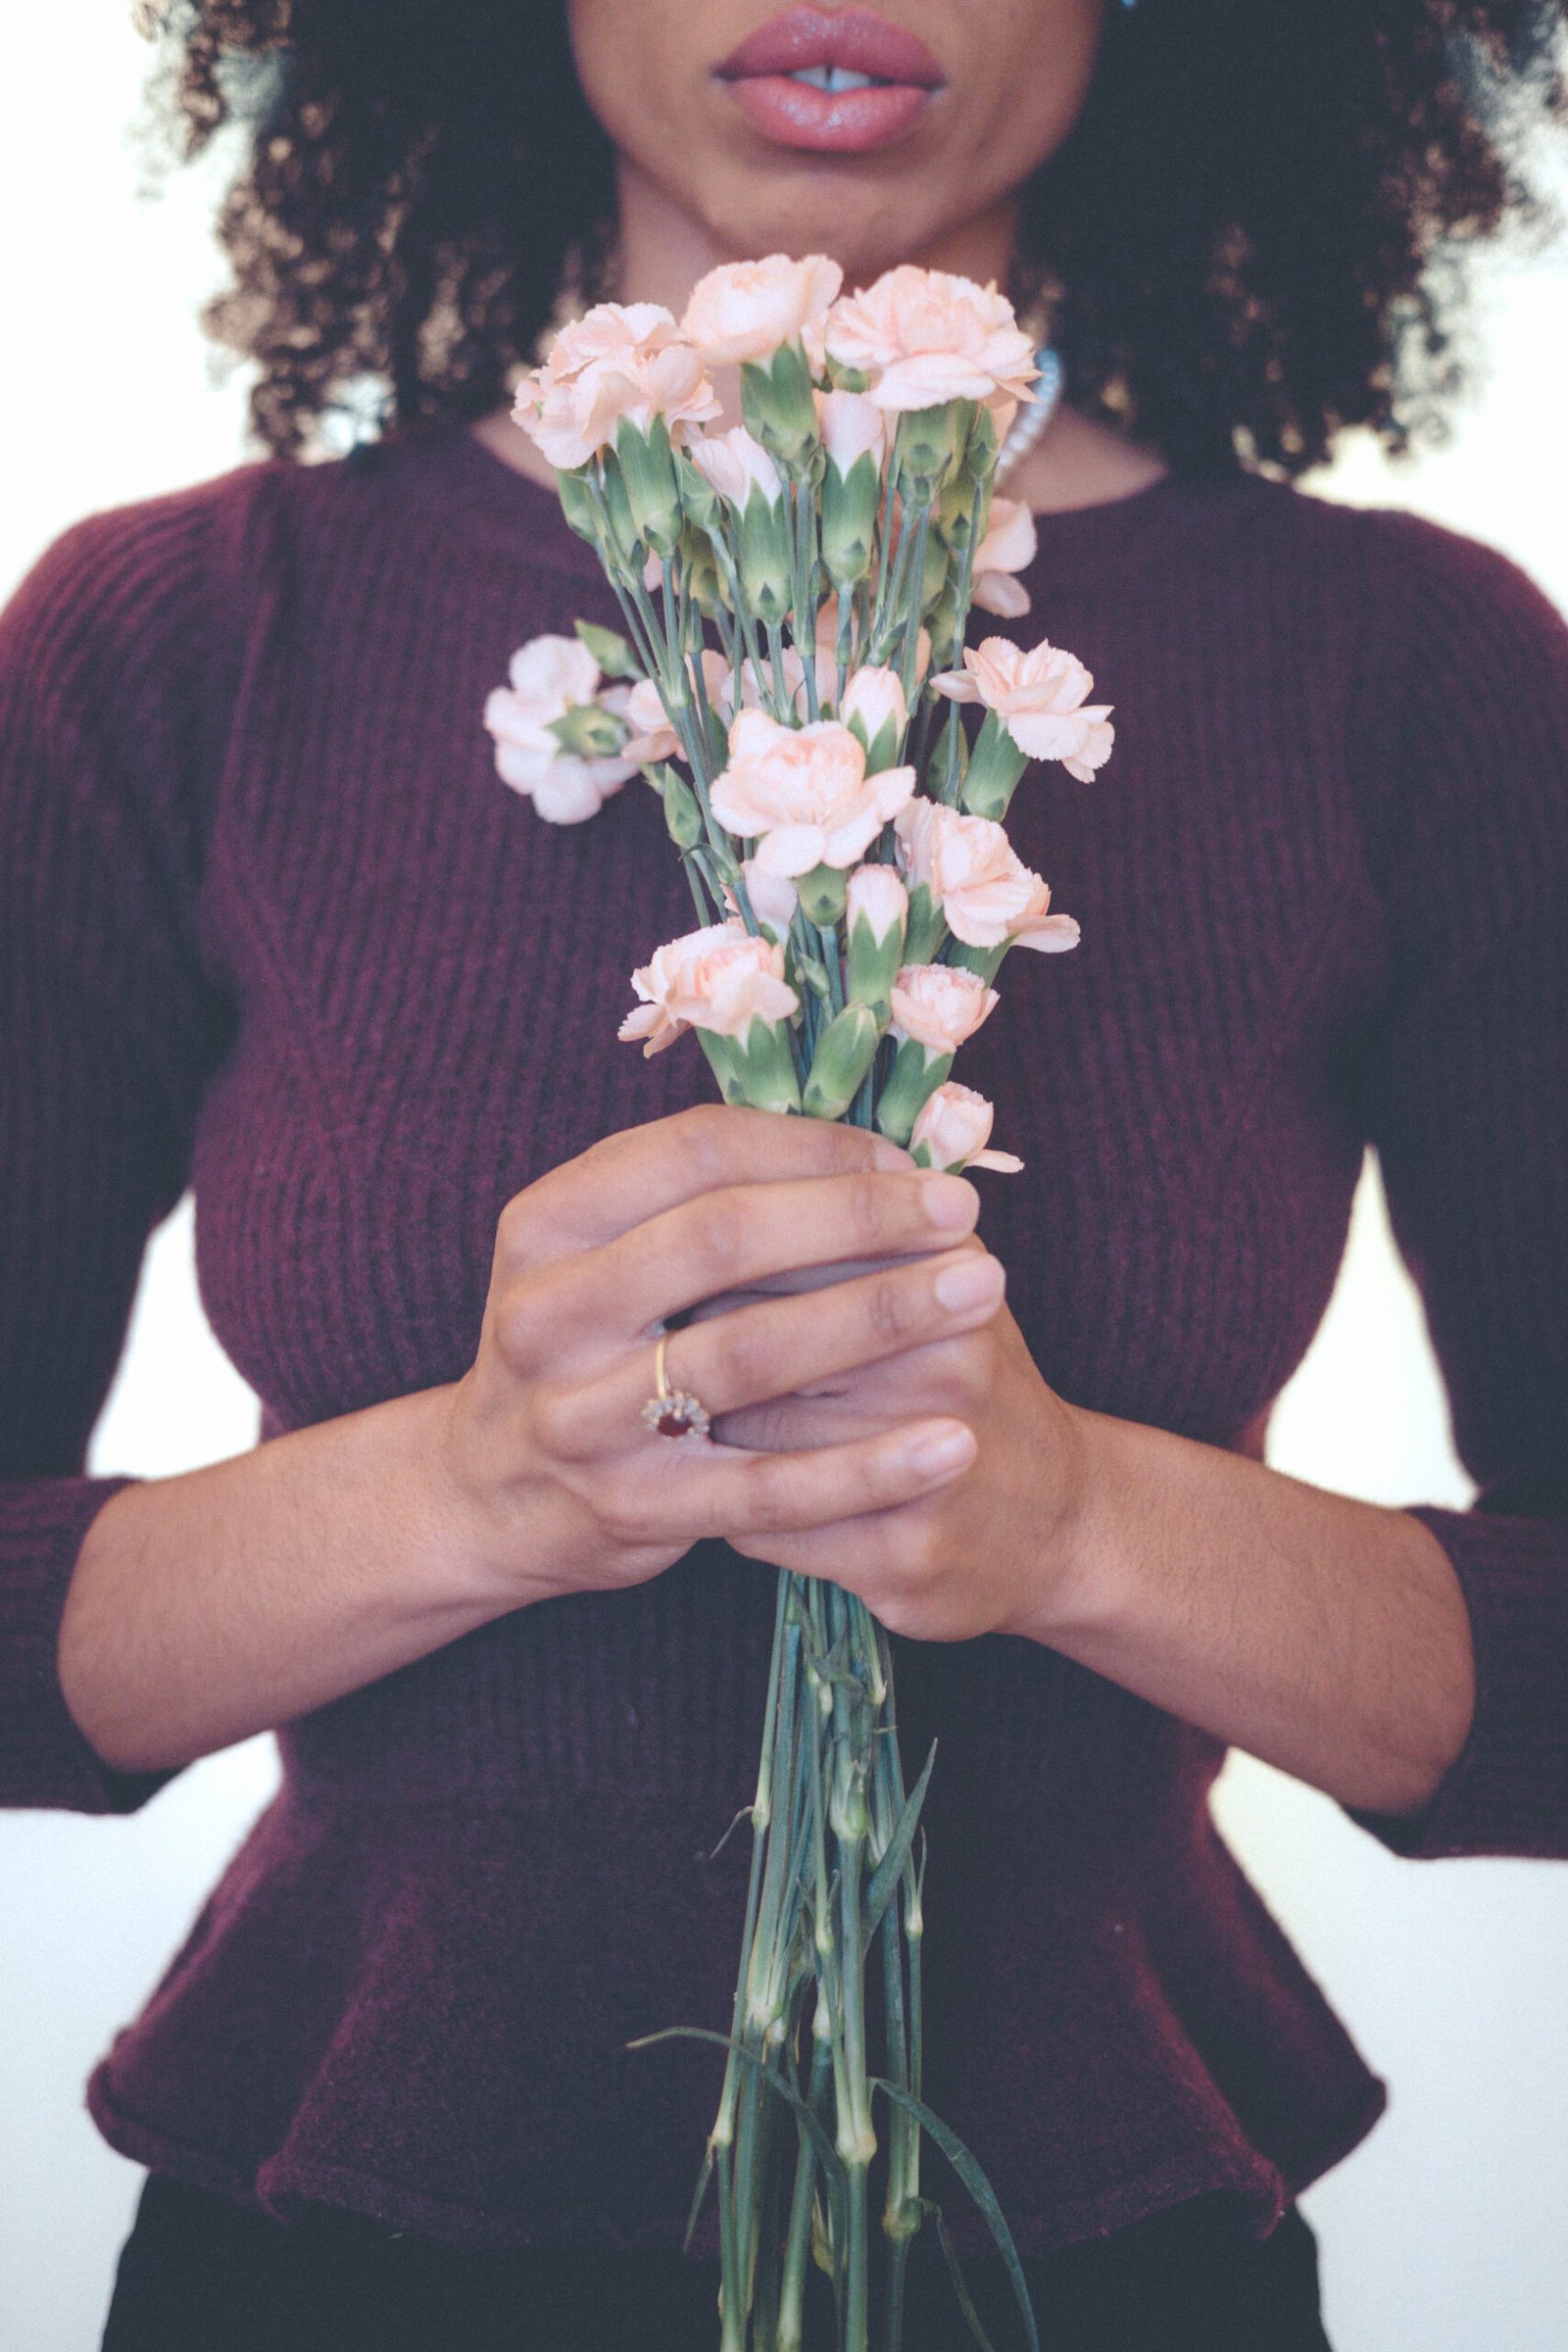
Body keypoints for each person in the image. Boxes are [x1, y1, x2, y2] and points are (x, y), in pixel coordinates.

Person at [3, 1, 1566, 2345]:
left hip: (1107, 2263)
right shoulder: (183, 647)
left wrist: (1070, 1526)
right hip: (315, 2249)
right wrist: (473, 1491)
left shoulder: (1412, 675)